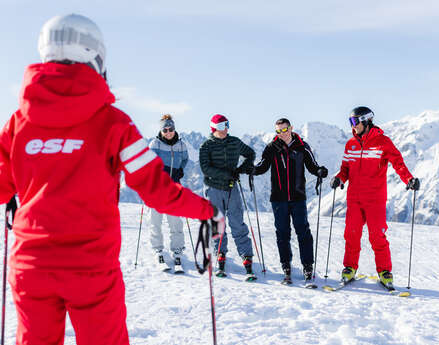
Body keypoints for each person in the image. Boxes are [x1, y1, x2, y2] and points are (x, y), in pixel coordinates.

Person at [0, 14, 223, 345]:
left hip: (30, 266)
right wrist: (207, 210)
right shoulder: (114, 124)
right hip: (90, 267)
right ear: (95, 56)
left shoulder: (18, 124)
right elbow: (157, 190)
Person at [330, 106, 420, 287]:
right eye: (350, 122)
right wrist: (339, 179)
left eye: (354, 121)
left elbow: (398, 163)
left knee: (377, 236)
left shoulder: (383, 142)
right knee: (351, 234)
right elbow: (345, 168)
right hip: (354, 198)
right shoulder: (351, 144)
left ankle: (384, 271)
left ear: (366, 121)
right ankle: (349, 268)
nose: (352, 126)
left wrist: (409, 179)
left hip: (375, 198)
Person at [253, 118, 328, 284]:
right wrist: (253, 170)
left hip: (297, 197)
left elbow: (312, 166)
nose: (282, 133)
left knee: (303, 231)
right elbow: (263, 165)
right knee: (282, 233)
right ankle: (286, 265)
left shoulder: (302, 146)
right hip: (278, 199)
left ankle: (308, 266)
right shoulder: (272, 148)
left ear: (291, 128)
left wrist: (320, 171)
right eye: (278, 131)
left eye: (284, 129)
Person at [199, 114, 256, 279]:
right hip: (214, 189)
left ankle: (246, 256)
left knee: (237, 222)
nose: (224, 129)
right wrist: (227, 174)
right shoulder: (206, 146)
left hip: (232, 189)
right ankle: (220, 254)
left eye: (226, 125)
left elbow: (250, 154)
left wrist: (241, 169)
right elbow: (206, 169)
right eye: (220, 126)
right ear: (213, 128)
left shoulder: (235, 142)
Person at [148, 114, 189, 272]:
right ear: (161, 130)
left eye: (170, 128)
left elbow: (185, 160)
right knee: (156, 221)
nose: (168, 132)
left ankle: (177, 251)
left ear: (174, 128)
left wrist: (180, 171)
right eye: (165, 129)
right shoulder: (155, 144)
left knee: (176, 222)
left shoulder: (181, 145)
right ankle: (158, 250)